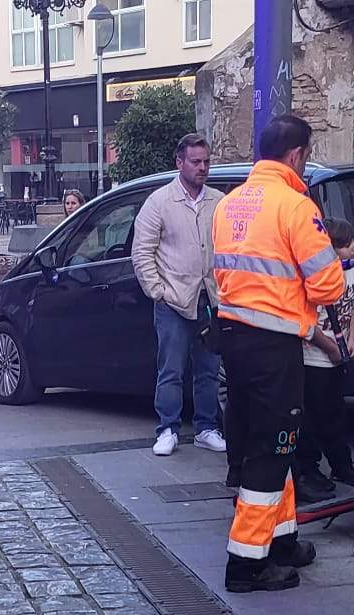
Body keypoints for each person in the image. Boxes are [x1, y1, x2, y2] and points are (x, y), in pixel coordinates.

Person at [212, 114, 348, 593]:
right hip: (275, 345)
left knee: (272, 444)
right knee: (272, 452)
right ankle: (247, 563)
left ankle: (282, 539)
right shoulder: (295, 205)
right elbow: (329, 284)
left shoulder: (227, 205)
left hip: (235, 339)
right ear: (297, 156)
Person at [132, 133, 228, 457]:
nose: (202, 168)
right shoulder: (159, 202)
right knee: (170, 368)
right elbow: (142, 252)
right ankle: (168, 428)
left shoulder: (218, 201)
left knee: (209, 368)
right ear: (180, 162)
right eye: (196, 162)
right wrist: (157, 291)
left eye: (206, 162)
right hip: (173, 299)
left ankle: (206, 427)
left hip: (210, 298)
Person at [293, 219, 354, 500]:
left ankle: (341, 464)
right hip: (315, 359)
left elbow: (352, 307)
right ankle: (311, 470)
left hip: (340, 355)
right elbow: (305, 323)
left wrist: (351, 339)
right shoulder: (315, 279)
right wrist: (331, 348)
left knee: (336, 413)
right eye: (347, 245)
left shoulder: (351, 272)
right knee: (314, 417)